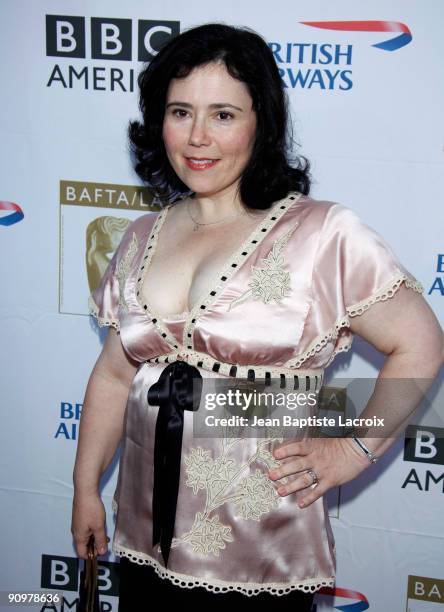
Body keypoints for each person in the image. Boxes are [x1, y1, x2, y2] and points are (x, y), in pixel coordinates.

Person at [71, 22, 444, 611]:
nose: (198, 137)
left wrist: (352, 451)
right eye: (179, 111)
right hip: (144, 540)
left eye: (223, 114)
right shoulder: (142, 234)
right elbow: (116, 376)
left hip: (259, 554)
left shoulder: (322, 233)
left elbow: (420, 344)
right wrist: (85, 488)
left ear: (260, 122)